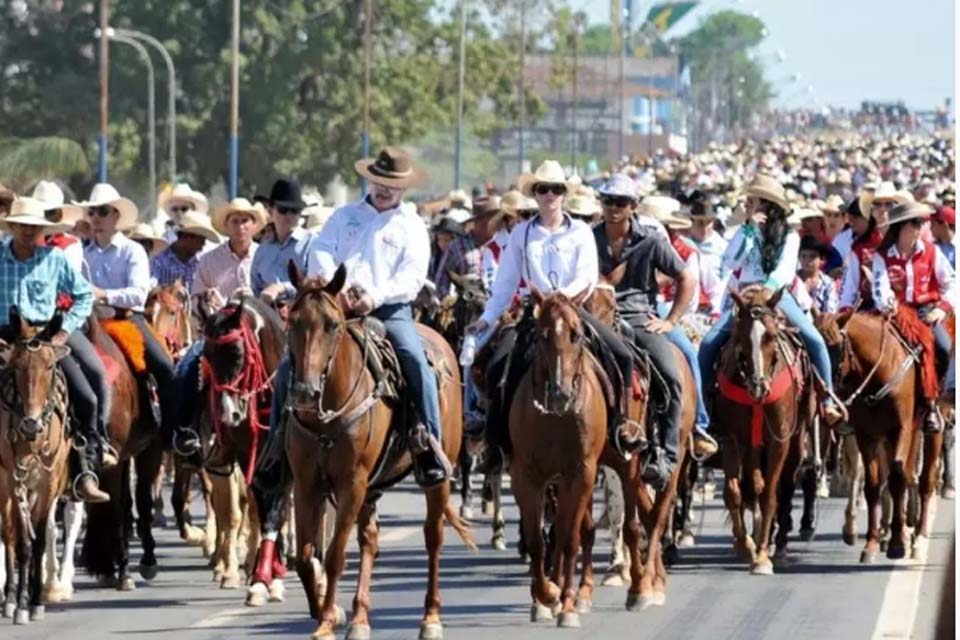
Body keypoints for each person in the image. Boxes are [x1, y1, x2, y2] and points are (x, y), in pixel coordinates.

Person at [289, 146, 451, 486]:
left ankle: (429, 444)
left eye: (392, 183)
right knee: (291, 363)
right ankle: (277, 448)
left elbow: (412, 275)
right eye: (379, 181)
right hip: (335, 306)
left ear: (403, 187)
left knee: (414, 359)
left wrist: (373, 296)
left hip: (388, 308)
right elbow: (321, 250)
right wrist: (334, 286)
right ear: (370, 179)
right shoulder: (344, 215)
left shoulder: (412, 226)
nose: (384, 188)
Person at [467, 161, 639, 474]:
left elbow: (587, 277)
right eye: (543, 189)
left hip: (575, 312)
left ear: (564, 194)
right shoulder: (521, 233)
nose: (550, 195)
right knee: (497, 368)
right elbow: (505, 284)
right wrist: (487, 318)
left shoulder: (582, 232)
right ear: (535, 195)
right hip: (535, 316)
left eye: (556, 189)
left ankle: (621, 428)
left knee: (622, 355)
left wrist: (562, 297)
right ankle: (497, 445)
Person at [698, 174, 845, 426]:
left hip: (776, 297)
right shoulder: (745, 231)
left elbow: (785, 271)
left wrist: (767, 291)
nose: (748, 206)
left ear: (767, 205)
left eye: (752, 202)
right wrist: (747, 229)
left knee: (815, 340)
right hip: (745, 297)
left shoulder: (790, 237)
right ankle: (703, 413)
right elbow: (729, 262)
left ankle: (827, 400)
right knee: (709, 344)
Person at [601, 182, 717, 481]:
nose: (613, 208)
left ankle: (665, 453)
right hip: (596, 317)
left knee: (671, 373)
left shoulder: (651, 241)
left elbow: (685, 278)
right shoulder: (587, 238)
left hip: (639, 316)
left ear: (632, 207)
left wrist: (671, 320)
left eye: (620, 202)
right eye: (608, 201)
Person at [0, 198, 111, 503]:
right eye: (22, 225)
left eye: (33, 226)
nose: (27, 231)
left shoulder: (54, 259)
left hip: (47, 336)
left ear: (41, 230)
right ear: (11, 226)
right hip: (5, 337)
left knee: (87, 394)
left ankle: (86, 469)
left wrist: (63, 332)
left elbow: (83, 296)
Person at [77, 183, 194, 454]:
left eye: (102, 212)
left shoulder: (132, 251)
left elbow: (138, 295)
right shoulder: (81, 251)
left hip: (126, 320)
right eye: (92, 212)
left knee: (166, 367)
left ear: (116, 216)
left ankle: (174, 432)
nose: (96, 218)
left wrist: (103, 294)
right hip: (88, 323)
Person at [176, 198, 267, 453]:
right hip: (218, 336)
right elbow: (195, 300)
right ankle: (188, 428)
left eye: (245, 221)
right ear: (226, 226)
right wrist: (206, 301)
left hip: (259, 335)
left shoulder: (264, 256)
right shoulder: (208, 260)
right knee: (187, 367)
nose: (240, 226)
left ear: (254, 225)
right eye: (235, 221)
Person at [872, 202, 956, 432]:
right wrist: (891, 308)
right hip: (893, 312)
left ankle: (933, 402)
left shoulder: (931, 251)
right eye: (916, 222)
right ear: (901, 227)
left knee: (942, 347)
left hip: (926, 312)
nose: (921, 227)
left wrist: (942, 307)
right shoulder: (882, 256)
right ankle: (861, 401)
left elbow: (951, 283)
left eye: (922, 222)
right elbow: (880, 288)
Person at [251, 178, 312, 304]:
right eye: (283, 210)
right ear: (270, 211)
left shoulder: (311, 244)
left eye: (295, 211)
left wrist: (282, 288)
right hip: (266, 314)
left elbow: (315, 284)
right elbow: (255, 288)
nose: (289, 215)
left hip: (302, 313)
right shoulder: (262, 250)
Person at [434, 197, 491, 299]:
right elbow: (441, 279)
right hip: (468, 305)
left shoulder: (503, 243)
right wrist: (447, 300)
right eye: (485, 221)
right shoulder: (457, 246)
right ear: (476, 223)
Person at [838, 192, 884, 312]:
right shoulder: (857, 248)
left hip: (893, 303)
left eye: (855, 217)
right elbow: (850, 284)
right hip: (867, 305)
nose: (850, 221)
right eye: (850, 217)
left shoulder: (885, 241)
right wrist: (844, 308)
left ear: (867, 218)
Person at [150, 210, 220, 289]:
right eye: (201, 240)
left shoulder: (203, 262)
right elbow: (152, 287)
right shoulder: (159, 261)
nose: (203, 244)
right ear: (187, 237)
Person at [685, 195, 727, 317]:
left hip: (715, 307)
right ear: (691, 222)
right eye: (700, 223)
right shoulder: (683, 244)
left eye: (708, 223)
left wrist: (717, 309)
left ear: (713, 223)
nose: (704, 228)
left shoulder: (723, 248)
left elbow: (726, 280)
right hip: (687, 306)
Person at [479, 190, 528, 293]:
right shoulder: (493, 249)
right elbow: (491, 286)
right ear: (509, 219)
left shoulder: (534, 242)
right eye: (522, 216)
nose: (526, 220)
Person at [797, 235, 839, 314]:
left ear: (822, 259)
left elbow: (829, 314)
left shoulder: (828, 284)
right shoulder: (792, 280)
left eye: (812, 257)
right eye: (803, 256)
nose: (807, 261)